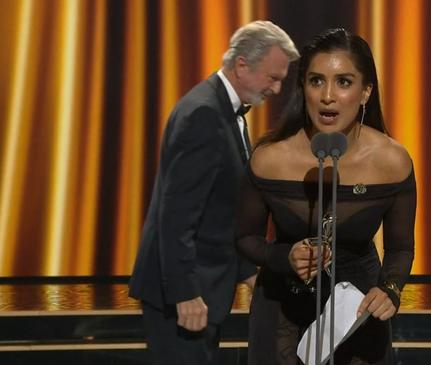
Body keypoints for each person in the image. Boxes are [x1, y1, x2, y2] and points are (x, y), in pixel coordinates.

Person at [235, 28, 416, 364]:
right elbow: (245, 238)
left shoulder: (393, 161)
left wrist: (390, 289)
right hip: (281, 307)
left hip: (357, 308)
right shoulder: (269, 158)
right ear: (303, 88)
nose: (327, 96)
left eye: (343, 82)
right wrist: (284, 256)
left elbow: (401, 248)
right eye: (316, 81)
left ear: (366, 92)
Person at [128, 20, 299, 365]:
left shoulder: (224, 109)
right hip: (183, 295)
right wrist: (185, 292)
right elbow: (176, 217)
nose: (278, 89)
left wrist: (248, 272)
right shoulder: (204, 114)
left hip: (205, 288)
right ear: (241, 65)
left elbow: (221, 208)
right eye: (273, 77)